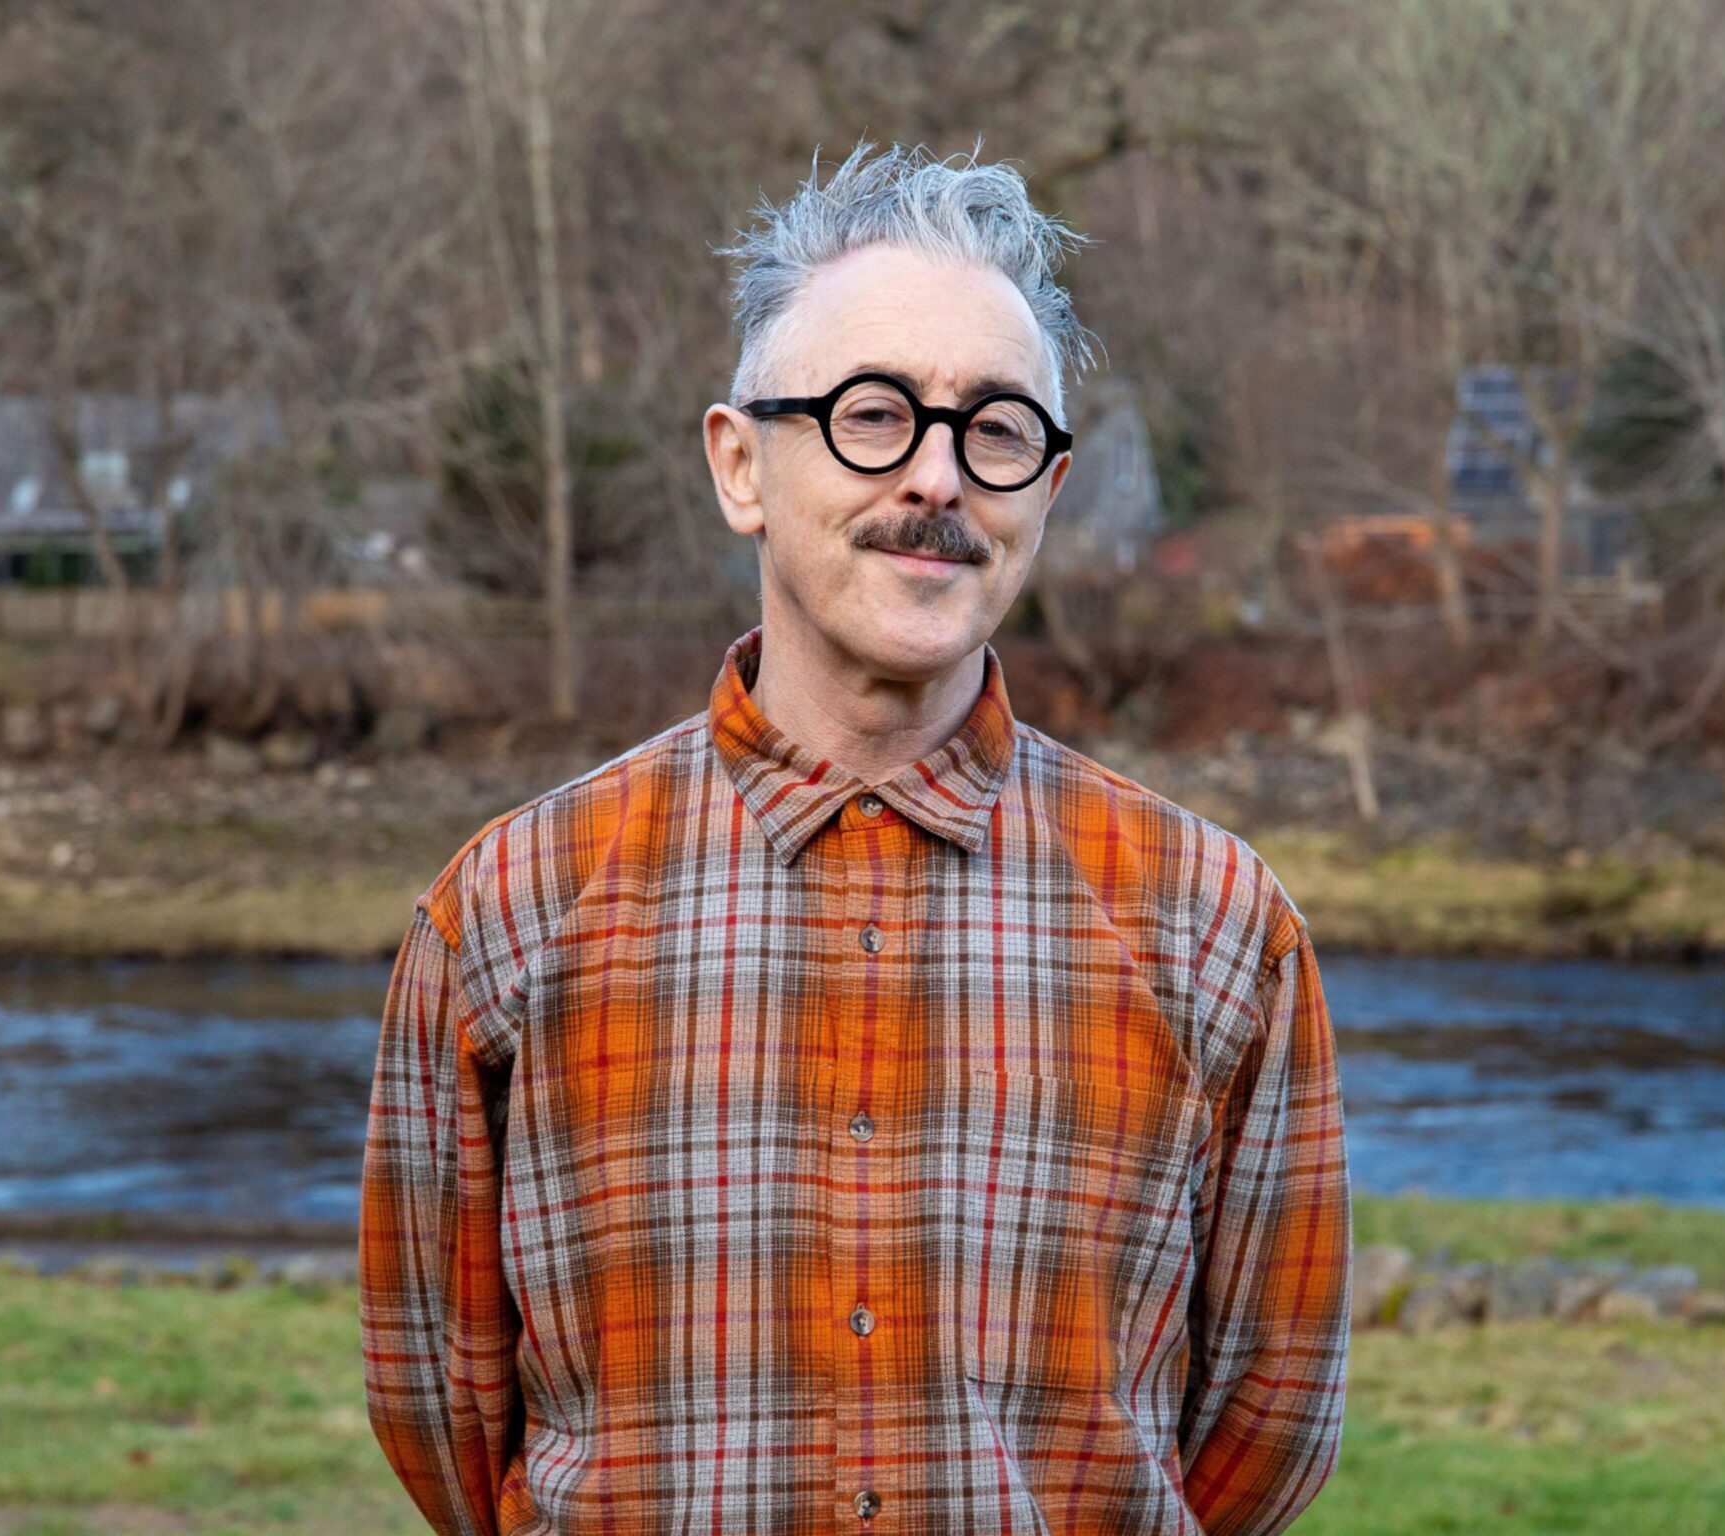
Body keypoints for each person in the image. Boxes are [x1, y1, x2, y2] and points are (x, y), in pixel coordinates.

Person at [360, 139, 1350, 1535]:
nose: (939, 479)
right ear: (741, 464)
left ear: (1046, 496)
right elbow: (441, 1410)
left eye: (997, 429)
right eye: (874, 414)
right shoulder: (512, 915)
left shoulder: (1216, 927)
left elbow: (1271, 1416)